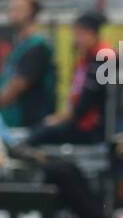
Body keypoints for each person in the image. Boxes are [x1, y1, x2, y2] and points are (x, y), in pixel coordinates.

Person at [27, 11, 111, 146]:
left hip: (91, 128)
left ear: (91, 34)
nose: (76, 40)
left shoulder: (101, 60)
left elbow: (84, 103)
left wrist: (59, 119)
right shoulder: (85, 59)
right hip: (79, 122)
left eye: (79, 34)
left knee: (41, 135)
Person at [0, 0, 56, 129]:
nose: (12, 13)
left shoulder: (38, 46)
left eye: (18, 8)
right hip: (11, 123)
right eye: (11, 8)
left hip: (29, 125)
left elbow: (16, 86)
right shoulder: (19, 47)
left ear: (31, 12)